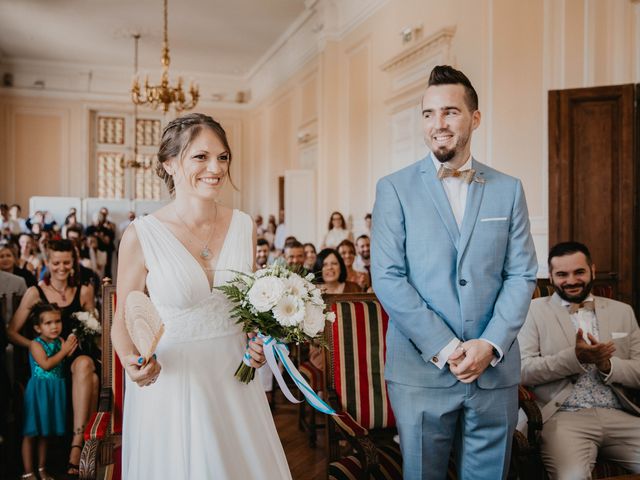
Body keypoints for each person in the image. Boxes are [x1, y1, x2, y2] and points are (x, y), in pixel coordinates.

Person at [371, 65, 537, 479]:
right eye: (428, 114)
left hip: (493, 368)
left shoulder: (508, 188)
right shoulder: (394, 188)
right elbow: (388, 278)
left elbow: (521, 274)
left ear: (475, 118)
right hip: (421, 370)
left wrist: (490, 344)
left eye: (450, 112)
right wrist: (446, 347)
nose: (437, 124)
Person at [111, 113, 291, 479]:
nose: (216, 168)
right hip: (173, 385)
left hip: (235, 382)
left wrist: (257, 343)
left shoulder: (244, 225)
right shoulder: (142, 234)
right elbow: (121, 322)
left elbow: (249, 309)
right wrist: (133, 362)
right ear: (169, 164)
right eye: (201, 157)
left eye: (223, 157)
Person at [519, 242, 640, 478]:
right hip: (563, 417)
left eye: (579, 272)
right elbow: (524, 370)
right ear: (551, 277)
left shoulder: (623, 311)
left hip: (620, 414)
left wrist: (608, 365)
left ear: (592, 271)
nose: (571, 280)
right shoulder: (531, 311)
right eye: (562, 274)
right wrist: (574, 358)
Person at [8, 239, 98, 476]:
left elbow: (95, 330)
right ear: (47, 262)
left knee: (86, 364)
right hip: (47, 364)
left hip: (77, 357)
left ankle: (77, 446)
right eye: (56, 262)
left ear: (73, 262)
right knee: (93, 380)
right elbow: (11, 331)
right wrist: (37, 348)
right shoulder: (35, 292)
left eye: (66, 262)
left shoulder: (84, 291)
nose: (61, 267)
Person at [21, 303, 78, 480]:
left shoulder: (60, 342)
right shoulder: (34, 344)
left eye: (57, 321)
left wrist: (69, 349)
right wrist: (65, 351)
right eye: (48, 323)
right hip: (39, 391)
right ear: (38, 327)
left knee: (45, 433)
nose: (54, 326)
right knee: (31, 432)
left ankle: (42, 468)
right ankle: (29, 472)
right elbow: (46, 364)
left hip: (55, 390)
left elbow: (64, 359)